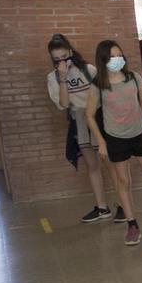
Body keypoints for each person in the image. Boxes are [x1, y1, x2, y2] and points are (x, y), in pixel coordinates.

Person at [87, 39, 142, 247]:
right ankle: (132, 224)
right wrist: (101, 142)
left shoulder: (133, 78)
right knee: (123, 182)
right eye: (112, 57)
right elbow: (89, 115)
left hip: (139, 134)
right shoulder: (98, 86)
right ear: (103, 60)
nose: (117, 60)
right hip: (115, 138)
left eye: (119, 55)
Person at [46, 34, 121, 224]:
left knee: (110, 163)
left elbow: (106, 93)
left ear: (71, 52)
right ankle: (102, 207)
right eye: (56, 59)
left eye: (64, 56)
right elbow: (63, 104)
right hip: (78, 119)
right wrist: (63, 79)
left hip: (99, 116)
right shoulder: (53, 77)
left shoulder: (88, 70)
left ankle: (122, 204)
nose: (62, 61)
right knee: (92, 165)